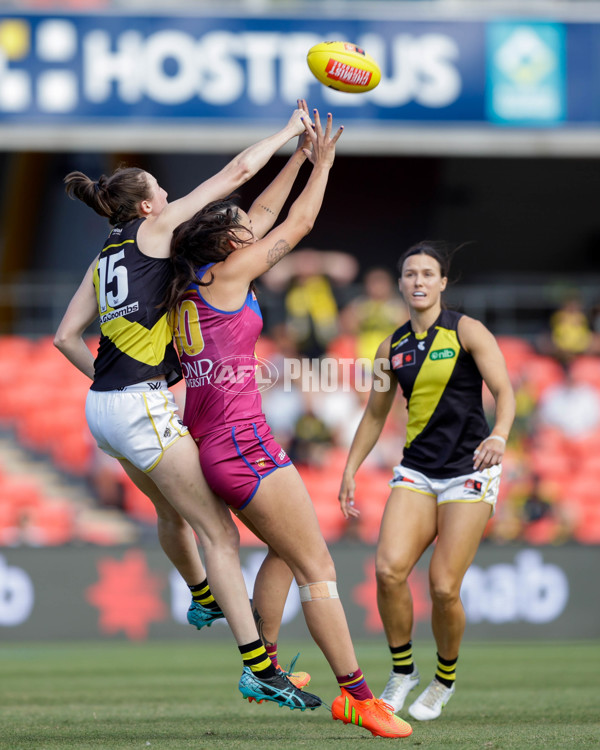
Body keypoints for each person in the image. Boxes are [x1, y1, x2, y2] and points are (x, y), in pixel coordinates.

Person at [53, 103, 322, 712]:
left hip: (103, 410)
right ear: (148, 206)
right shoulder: (155, 232)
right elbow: (235, 173)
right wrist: (287, 134)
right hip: (135, 406)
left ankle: (202, 594)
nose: (169, 195)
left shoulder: (105, 256)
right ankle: (260, 667)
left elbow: (65, 336)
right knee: (219, 533)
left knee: (172, 516)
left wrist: (114, 382)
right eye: (161, 191)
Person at [165, 109, 412, 739]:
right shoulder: (230, 274)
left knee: (286, 546)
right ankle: (356, 694)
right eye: (243, 227)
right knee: (319, 567)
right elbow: (297, 223)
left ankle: (266, 663)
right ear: (228, 244)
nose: (254, 226)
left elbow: (268, 218)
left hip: (219, 439)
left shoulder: (197, 277)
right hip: (241, 443)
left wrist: (298, 155)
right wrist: (325, 162)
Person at [339, 241, 515, 721]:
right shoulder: (389, 347)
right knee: (388, 570)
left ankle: (444, 679)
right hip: (417, 470)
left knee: (442, 588)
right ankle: (402, 673)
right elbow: (375, 416)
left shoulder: (467, 331)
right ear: (400, 284)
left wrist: (499, 434)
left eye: (427, 274)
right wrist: (351, 469)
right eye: (410, 274)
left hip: (469, 472)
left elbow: (504, 391)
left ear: (442, 283)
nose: (418, 281)